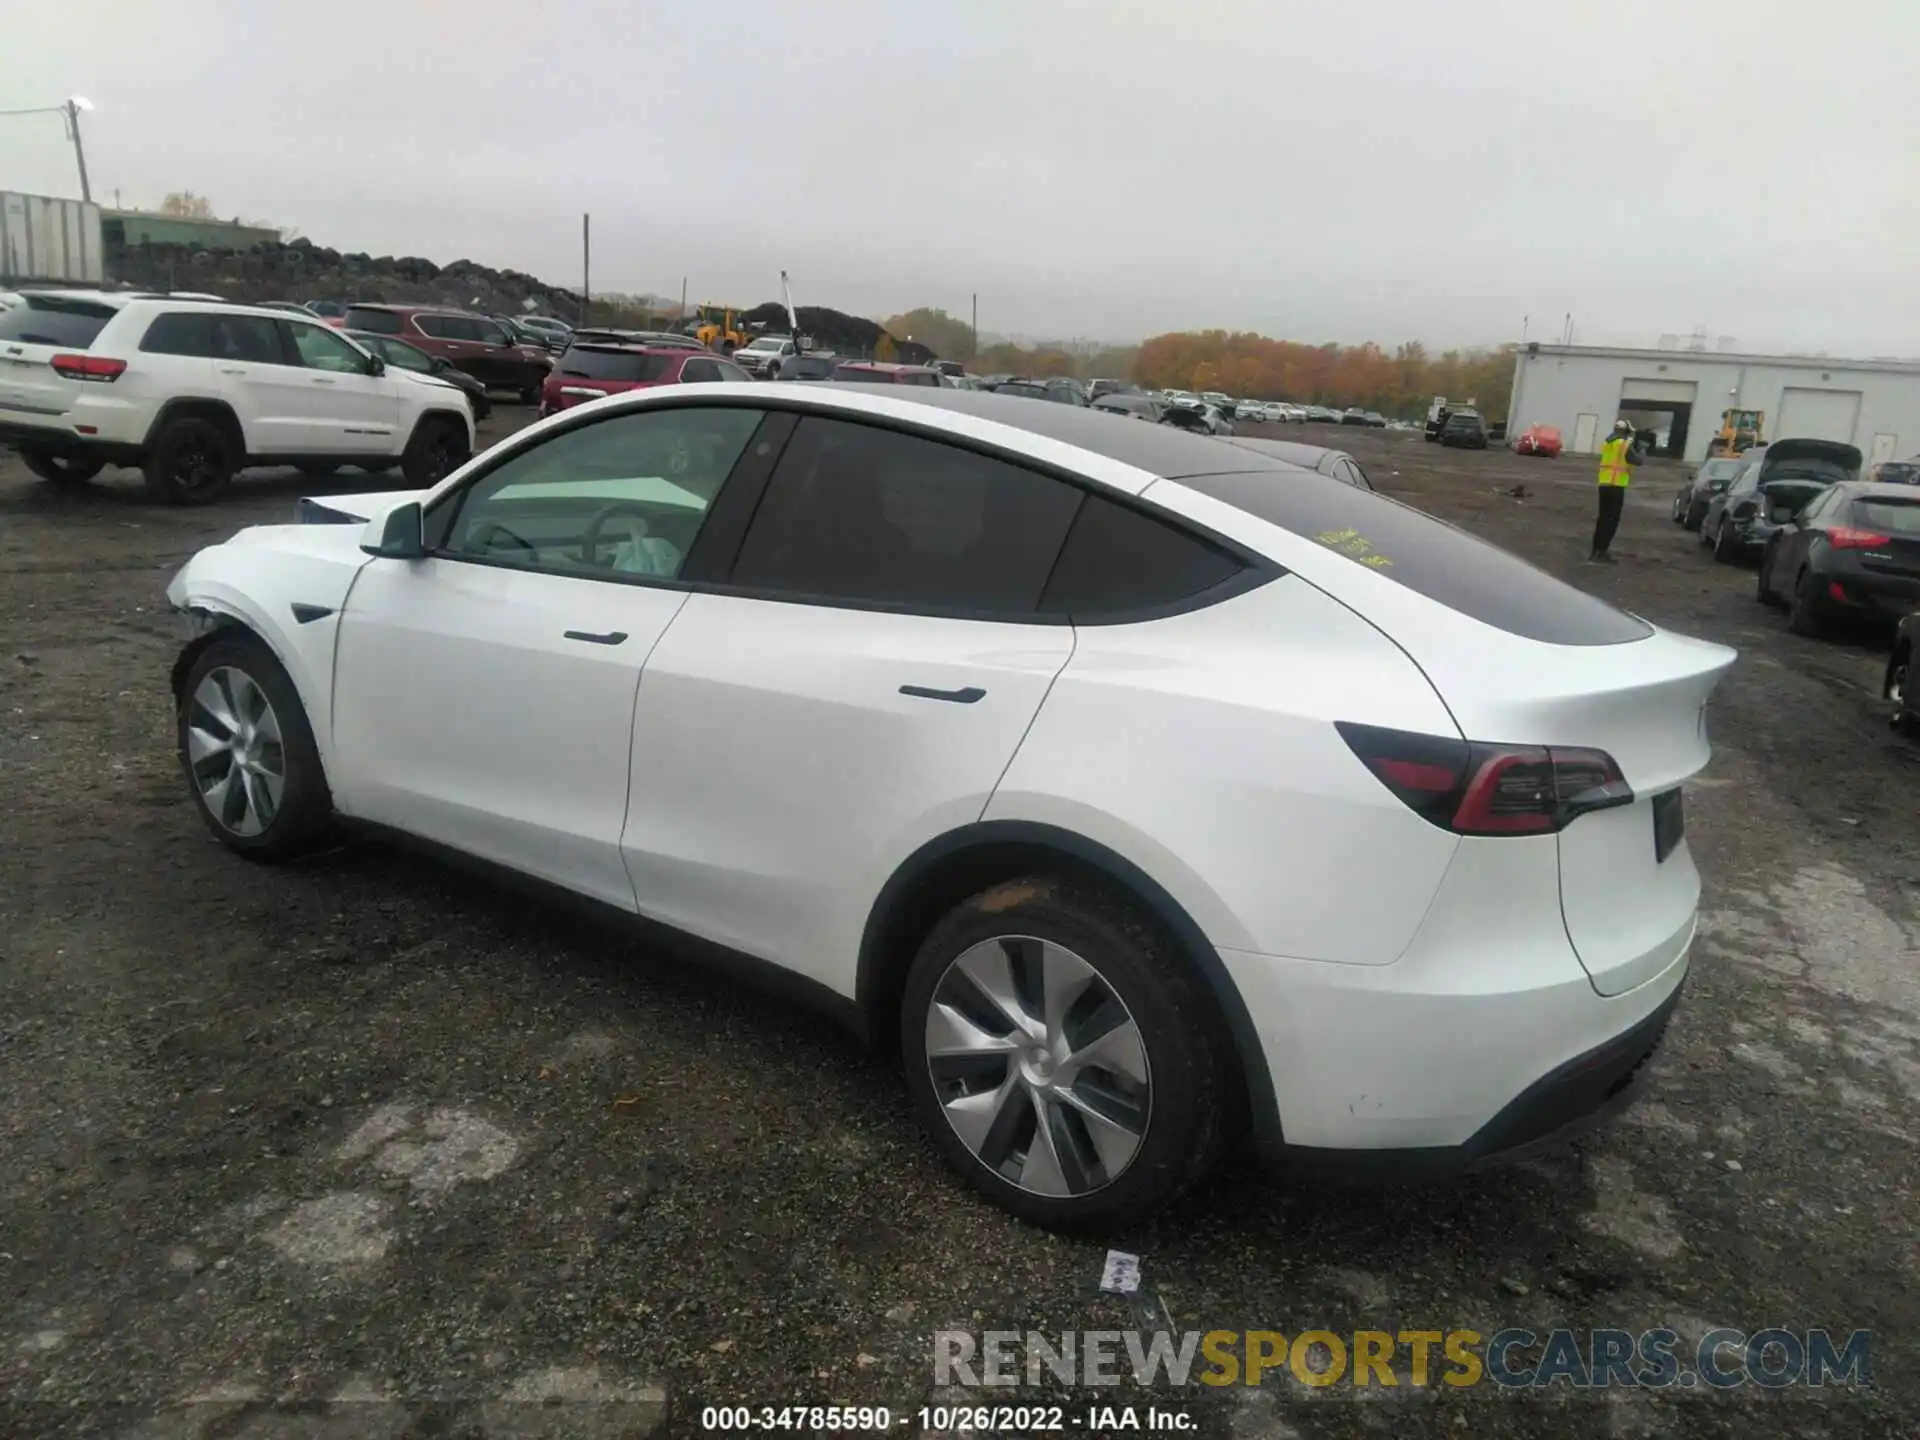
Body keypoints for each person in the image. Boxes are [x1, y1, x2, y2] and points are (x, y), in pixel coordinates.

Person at [1590, 419, 1646, 563]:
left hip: (1604, 484)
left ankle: (1595, 550)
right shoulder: (1624, 444)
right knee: (1611, 521)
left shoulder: (1608, 442)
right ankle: (1602, 552)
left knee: (1602, 519)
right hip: (1616, 485)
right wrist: (1642, 449)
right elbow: (1637, 460)